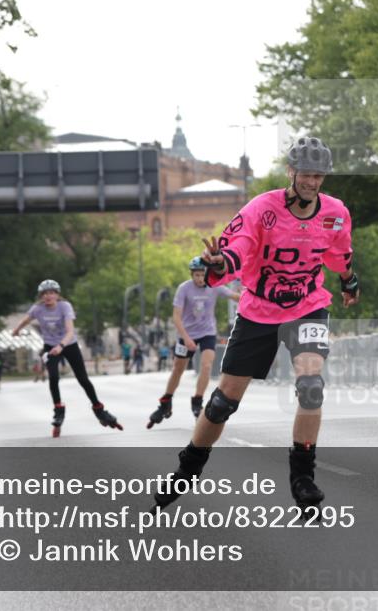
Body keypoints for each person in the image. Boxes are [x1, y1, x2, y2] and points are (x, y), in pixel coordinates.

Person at [152, 136, 359, 516]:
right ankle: (187, 469)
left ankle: (303, 478)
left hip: (307, 306)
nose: (312, 182)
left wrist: (348, 281)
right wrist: (219, 264)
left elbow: (339, 253)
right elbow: (238, 248)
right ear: (291, 172)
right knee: (222, 403)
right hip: (259, 310)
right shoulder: (262, 209)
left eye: (319, 176)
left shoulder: (335, 212)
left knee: (311, 386)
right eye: (306, 174)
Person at [11, 279, 123, 436]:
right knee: (53, 377)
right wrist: (16, 330)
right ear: (41, 297)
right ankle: (58, 409)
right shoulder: (38, 309)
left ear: (57, 294)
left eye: (51, 293)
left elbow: (70, 331)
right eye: (44, 294)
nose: (48, 296)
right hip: (50, 347)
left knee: (83, 379)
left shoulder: (65, 306)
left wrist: (61, 346)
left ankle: (99, 409)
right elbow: (26, 319)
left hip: (69, 345)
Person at [147, 257, 240, 428]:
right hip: (186, 334)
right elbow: (176, 316)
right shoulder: (184, 289)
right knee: (177, 370)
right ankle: (166, 401)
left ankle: (197, 400)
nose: (199, 278)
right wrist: (187, 338)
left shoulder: (214, 285)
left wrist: (253, 297)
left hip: (207, 333)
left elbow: (234, 296)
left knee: (206, 366)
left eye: (202, 275)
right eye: (196, 275)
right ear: (191, 275)